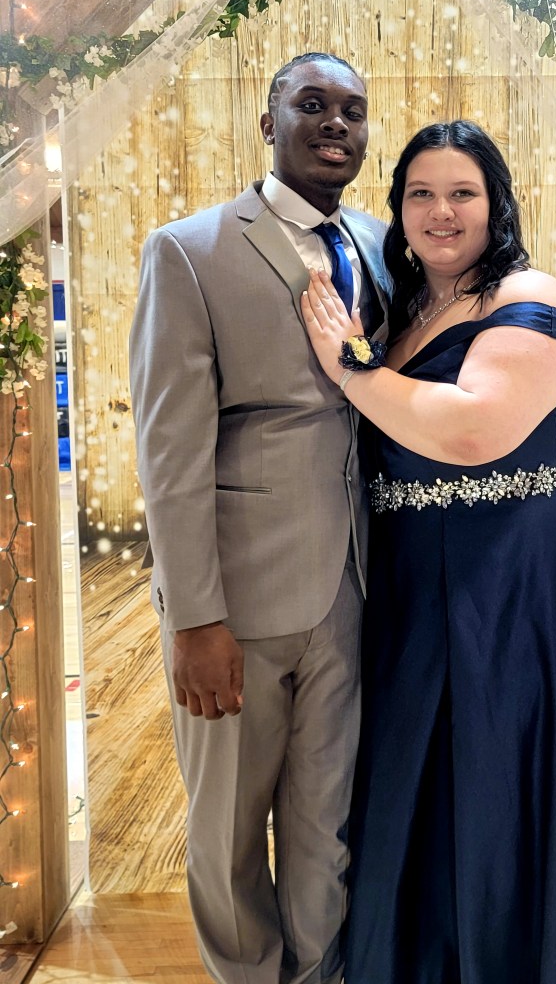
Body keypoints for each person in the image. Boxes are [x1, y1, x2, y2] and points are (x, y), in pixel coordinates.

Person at [300, 120, 556, 984]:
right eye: (421, 194)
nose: (441, 212)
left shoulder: (531, 295)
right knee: (430, 805)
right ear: (398, 210)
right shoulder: (406, 312)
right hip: (417, 595)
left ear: (497, 204)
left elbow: (472, 430)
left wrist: (349, 370)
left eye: (463, 193)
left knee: (519, 797)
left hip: (524, 595)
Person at [128, 53, 389, 984]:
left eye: (352, 110)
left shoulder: (383, 243)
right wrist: (194, 616)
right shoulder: (189, 249)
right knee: (229, 828)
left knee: (330, 823)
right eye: (312, 105)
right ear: (269, 121)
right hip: (236, 600)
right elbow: (169, 450)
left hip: (357, 589)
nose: (335, 124)